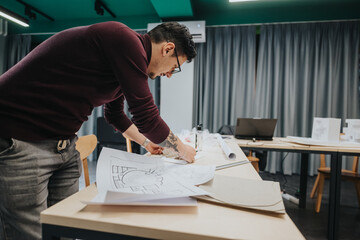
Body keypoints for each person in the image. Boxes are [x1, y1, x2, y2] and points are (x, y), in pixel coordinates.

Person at [0, 21, 197, 239]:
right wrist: (181, 148)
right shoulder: (124, 39)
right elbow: (146, 116)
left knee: (65, 226)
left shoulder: (125, 59)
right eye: (175, 67)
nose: (169, 74)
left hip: (64, 144)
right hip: (20, 137)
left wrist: (146, 143)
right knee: (30, 233)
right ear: (167, 49)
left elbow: (114, 115)